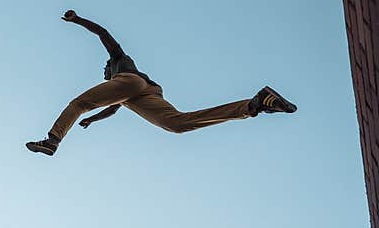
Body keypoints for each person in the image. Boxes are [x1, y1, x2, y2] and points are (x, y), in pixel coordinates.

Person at [26, 10, 297, 156]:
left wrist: (78, 20)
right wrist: (92, 121)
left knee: (79, 103)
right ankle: (254, 104)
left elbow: (104, 34)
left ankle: (52, 140)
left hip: (131, 83)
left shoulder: (119, 61)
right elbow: (113, 108)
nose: (104, 74)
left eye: (105, 72)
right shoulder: (118, 93)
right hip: (143, 93)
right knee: (176, 124)